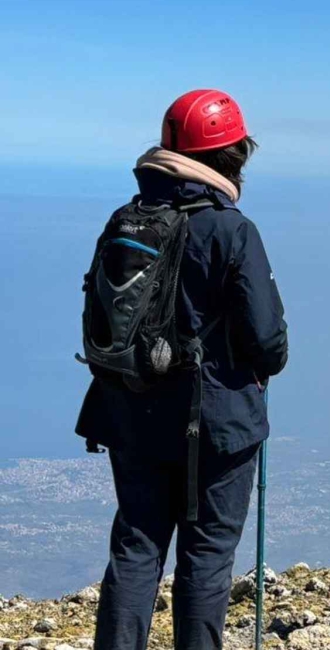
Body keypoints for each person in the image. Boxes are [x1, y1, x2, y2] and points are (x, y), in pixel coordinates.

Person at [76, 89, 289, 650]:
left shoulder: (127, 218)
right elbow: (268, 342)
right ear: (232, 155)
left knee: (136, 545)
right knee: (207, 556)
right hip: (215, 425)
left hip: (130, 410)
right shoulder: (231, 230)